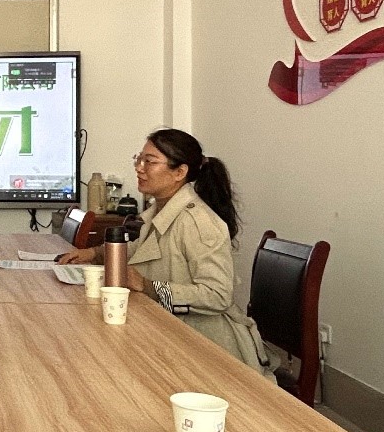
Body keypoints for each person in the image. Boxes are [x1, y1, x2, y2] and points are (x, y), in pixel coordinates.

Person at [59, 128, 271, 375]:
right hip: (168, 331)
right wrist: (94, 254)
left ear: (180, 172)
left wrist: (149, 286)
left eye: (149, 162)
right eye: (139, 159)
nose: (139, 168)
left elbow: (217, 295)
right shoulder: (161, 211)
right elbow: (138, 250)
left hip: (208, 347)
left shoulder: (198, 222)